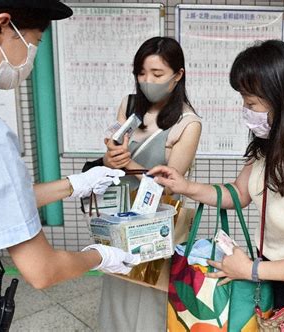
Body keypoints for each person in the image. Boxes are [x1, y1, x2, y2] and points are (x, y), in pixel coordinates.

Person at [0, 1, 139, 330]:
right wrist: (101, 256)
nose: (31, 52)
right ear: (2, 27)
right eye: (35, 40)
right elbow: (42, 269)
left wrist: (75, 184)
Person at [150, 40, 284, 310]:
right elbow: (239, 192)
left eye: (252, 102)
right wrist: (185, 185)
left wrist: (250, 270)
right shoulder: (272, 141)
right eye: (244, 100)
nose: (246, 111)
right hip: (268, 274)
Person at [99, 36, 202, 331]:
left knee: (149, 295)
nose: (148, 81)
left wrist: (127, 162)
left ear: (178, 75)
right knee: (118, 287)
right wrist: (110, 158)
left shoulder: (188, 123)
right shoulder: (129, 105)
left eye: (157, 74)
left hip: (155, 225)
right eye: (141, 73)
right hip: (120, 217)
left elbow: (171, 184)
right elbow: (111, 159)